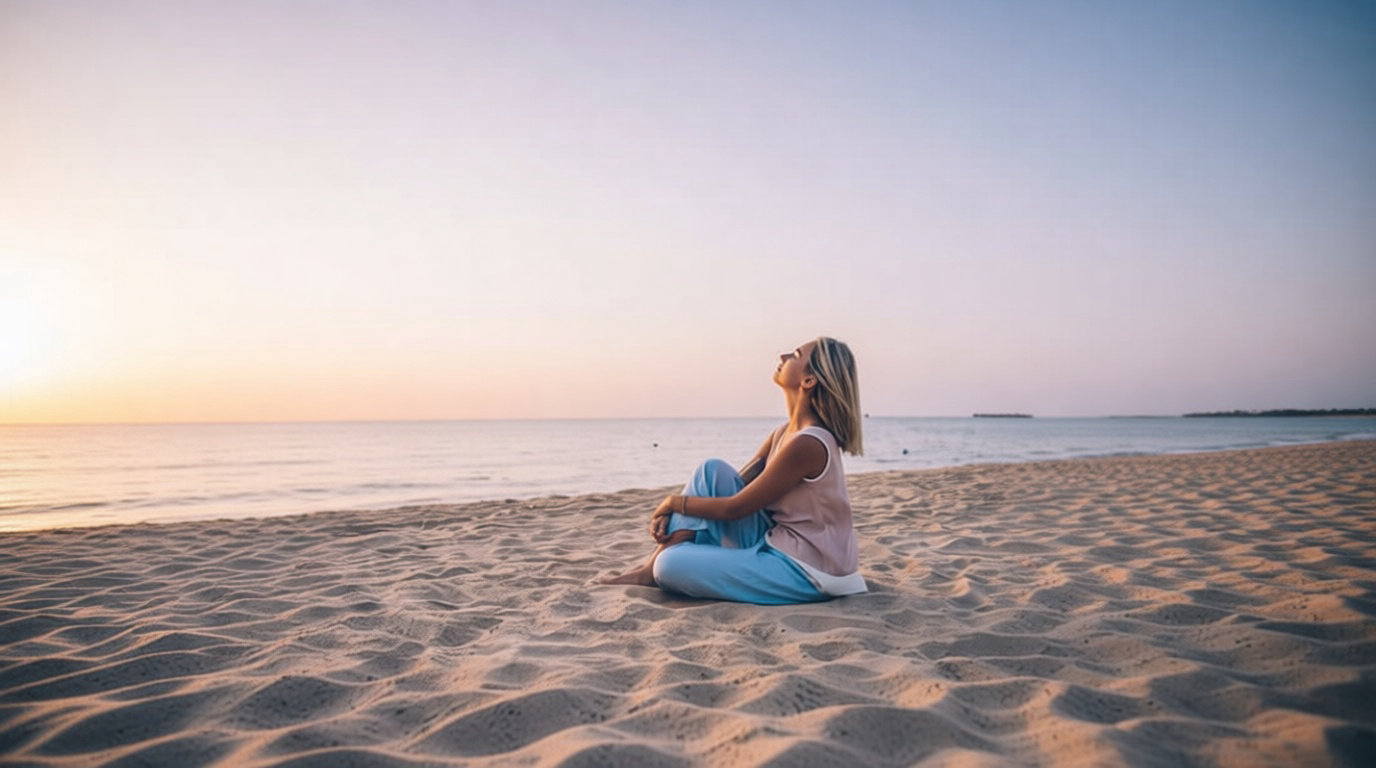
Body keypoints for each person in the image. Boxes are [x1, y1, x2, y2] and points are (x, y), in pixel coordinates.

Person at [598, 336, 868, 605]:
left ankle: (660, 565)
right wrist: (681, 513)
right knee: (710, 470)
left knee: (669, 566)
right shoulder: (783, 434)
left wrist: (672, 504)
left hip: (809, 570)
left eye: (796, 355)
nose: (783, 356)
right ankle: (649, 570)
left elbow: (734, 509)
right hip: (777, 541)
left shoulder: (809, 443)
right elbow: (733, 485)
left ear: (809, 381)